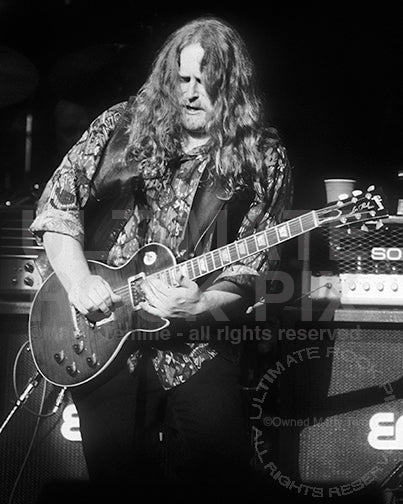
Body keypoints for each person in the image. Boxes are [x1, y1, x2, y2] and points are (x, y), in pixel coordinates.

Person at [30, 16, 293, 503]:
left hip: (197, 347)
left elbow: (253, 267)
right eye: (183, 80)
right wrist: (79, 281)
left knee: (221, 479)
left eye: (206, 84)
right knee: (117, 484)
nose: (191, 93)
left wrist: (202, 304)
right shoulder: (119, 129)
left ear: (231, 88)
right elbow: (58, 209)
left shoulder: (262, 157)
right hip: (105, 337)